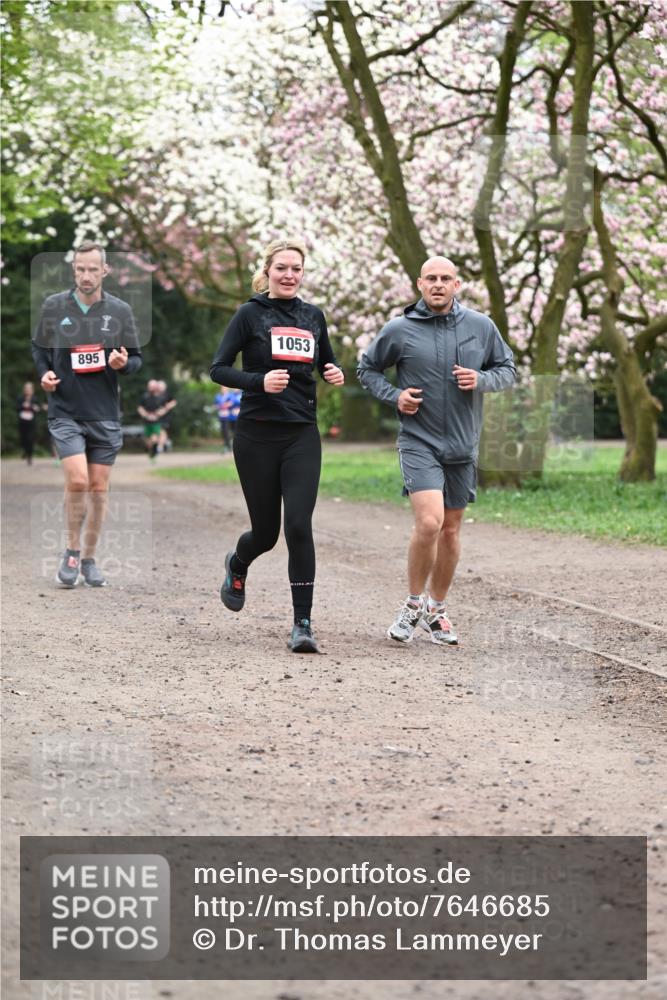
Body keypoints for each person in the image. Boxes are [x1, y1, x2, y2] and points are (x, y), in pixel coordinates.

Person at [357, 256, 516, 645]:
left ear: (457, 284)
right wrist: (395, 396)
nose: (439, 284)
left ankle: (436, 609)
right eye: (432, 278)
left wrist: (481, 378)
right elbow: (367, 369)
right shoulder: (400, 329)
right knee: (429, 522)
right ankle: (412, 604)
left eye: (446, 278)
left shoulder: (481, 326)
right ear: (419, 284)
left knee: (450, 530)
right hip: (418, 441)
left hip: (463, 444)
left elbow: (508, 369)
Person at [210, 237, 344, 653]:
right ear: (267, 271)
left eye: (296, 269)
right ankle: (238, 562)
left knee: (299, 526)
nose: (289, 275)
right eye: (281, 268)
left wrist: (332, 371)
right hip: (255, 435)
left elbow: (324, 360)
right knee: (266, 535)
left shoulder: (312, 316)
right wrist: (258, 381)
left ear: (303, 274)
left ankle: (302, 624)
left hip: (301, 433)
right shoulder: (249, 315)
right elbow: (217, 369)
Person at [31, 240, 142, 587]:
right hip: (65, 410)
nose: (86, 275)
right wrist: (44, 374)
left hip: (105, 413)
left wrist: (123, 364)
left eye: (93, 269)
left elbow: (136, 359)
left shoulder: (120, 311)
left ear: (105, 270)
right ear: (73, 269)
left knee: (98, 488)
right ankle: (71, 549)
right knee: (77, 480)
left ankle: (90, 558)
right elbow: (39, 347)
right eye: (80, 269)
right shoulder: (54, 306)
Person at [16, 381, 43, 464]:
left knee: (30, 438)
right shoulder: (20, 398)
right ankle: (25, 451)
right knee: (23, 438)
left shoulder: (35, 398)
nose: (28, 390)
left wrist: (32, 407)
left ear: (32, 390)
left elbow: (38, 408)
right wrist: (23, 406)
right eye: (26, 388)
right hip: (23, 422)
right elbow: (17, 408)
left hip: (32, 422)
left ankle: (29, 456)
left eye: (29, 389)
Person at [137, 379, 164, 460]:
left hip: (156, 421)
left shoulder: (160, 398)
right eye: (149, 386)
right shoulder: (145, 397)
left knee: (154, 437)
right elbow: (140, 408)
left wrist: (157, 414)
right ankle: (151, 450)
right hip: (147, 421)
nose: (150, 388)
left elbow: (164, 408)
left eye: (152, 386)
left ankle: (154, 450)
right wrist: (146, 415)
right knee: (148, 440)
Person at [214, 385, 242, 451]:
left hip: (232, 417)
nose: (223, 389)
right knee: (225, 432)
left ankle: (236, 446)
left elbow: (232, 403)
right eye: (222, 388)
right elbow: (216, 405)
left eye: (225, 388)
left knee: (235, 432)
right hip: (226, 417)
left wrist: (225, 405)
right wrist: (220, 406)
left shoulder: (232, 395)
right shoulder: (218, 396)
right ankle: (227, 446)